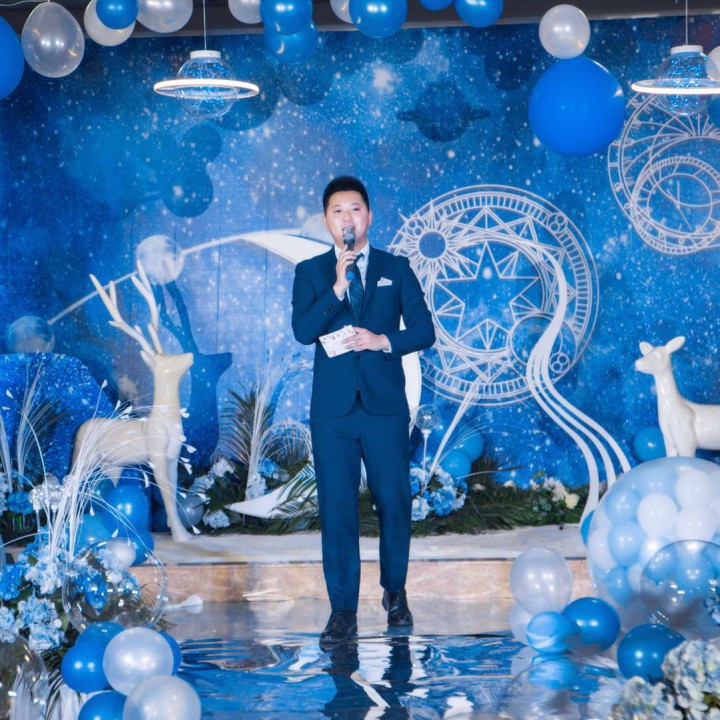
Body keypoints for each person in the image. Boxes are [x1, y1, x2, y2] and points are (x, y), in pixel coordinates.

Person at [291, 176, 435, 646]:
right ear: (326, 221)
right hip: (332, 412)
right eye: (338, 211)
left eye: (355, 209)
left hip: (384, 407)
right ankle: (342, 610)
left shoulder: (396, 267)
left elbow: (424, 330)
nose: (347, 218)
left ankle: (395, 592)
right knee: (337, 509)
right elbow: (303, 331)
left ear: (369, 216)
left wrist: (382, 340)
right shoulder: (311, 271)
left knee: (394, 501)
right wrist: (337, 287)